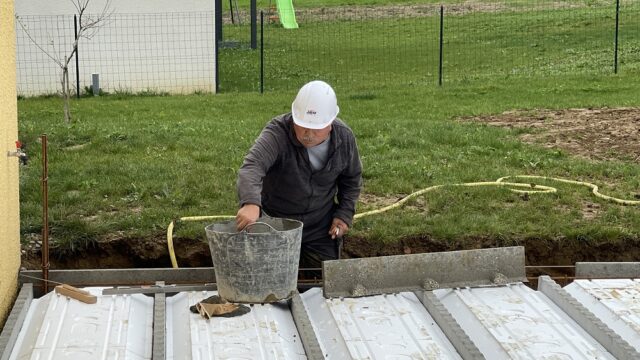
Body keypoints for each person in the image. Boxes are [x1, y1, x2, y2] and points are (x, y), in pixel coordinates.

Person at [236, 80, 362, 271]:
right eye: (302, 125)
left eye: (315, 128)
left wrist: (344, 214)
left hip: (320, 226)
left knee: (324, 281)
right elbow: (252, 166)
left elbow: (351, 179)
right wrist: (251, 203)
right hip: (276, 224)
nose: (307, 133)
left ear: (330, 123)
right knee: (267, 278)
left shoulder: (344, 138)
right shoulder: (277, 132)